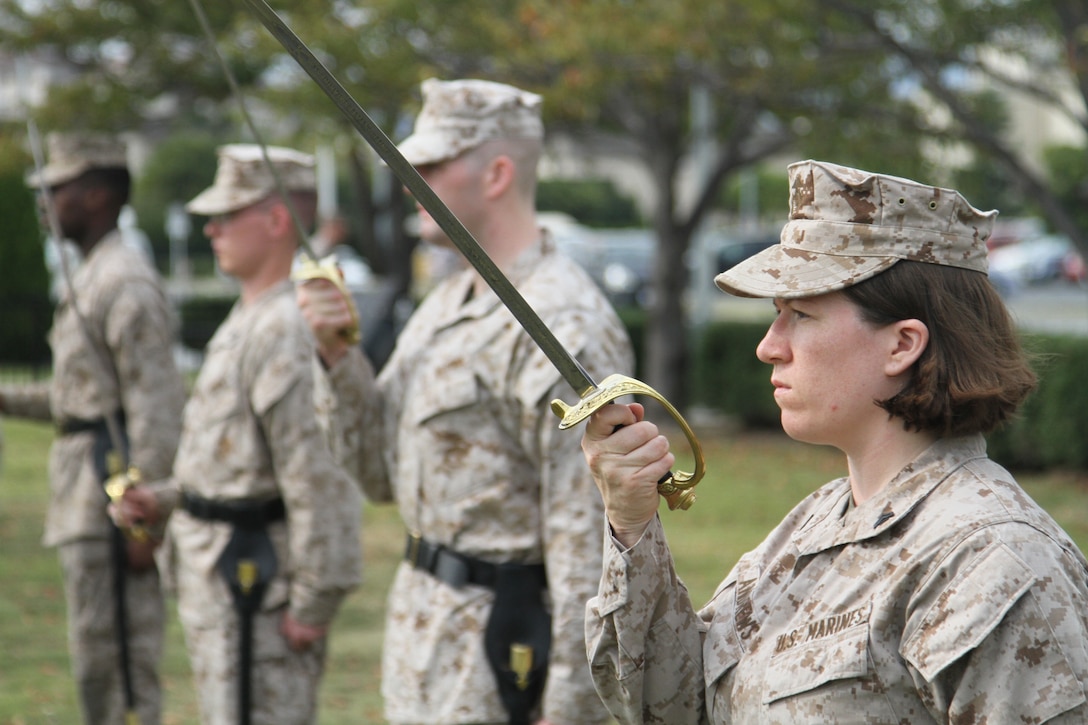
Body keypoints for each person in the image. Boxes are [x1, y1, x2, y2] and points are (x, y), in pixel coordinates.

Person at [581, 159, 1088, 723]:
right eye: (778, 315)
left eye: (800, 314)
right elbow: (673, 707)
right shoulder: (813, 525)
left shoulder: (995, 561)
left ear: (902, 345)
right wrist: (631, 525)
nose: (769, 347)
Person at [299, 78, 634, 724]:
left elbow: (590, 543)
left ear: (498, 173)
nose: (408, 180)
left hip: (508, 656)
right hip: (426, 642)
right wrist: (337, 357)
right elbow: (378, 473)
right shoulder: (449, 302)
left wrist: (569, 705)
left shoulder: (561, 322)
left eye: (429, 165)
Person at [116, 144, 378, 724]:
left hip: (258, 594)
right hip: (222, 586)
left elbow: (318, 475)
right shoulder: (252, 316)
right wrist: (160, 500)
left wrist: (313, 602)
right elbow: (232, 461)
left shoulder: (287, 327)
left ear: (277, 220)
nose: (210, 228)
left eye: (226, 214)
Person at [0, 131, 187, 724]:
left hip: (114, 498)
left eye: (57, 189)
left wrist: (146, 515)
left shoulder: (124, 282)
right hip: (83, 489)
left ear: (98, 194)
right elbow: (80, 397)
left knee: (120, 668)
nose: (44, 202)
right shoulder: (92, 275)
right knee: (95, 663)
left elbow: (156, 403)